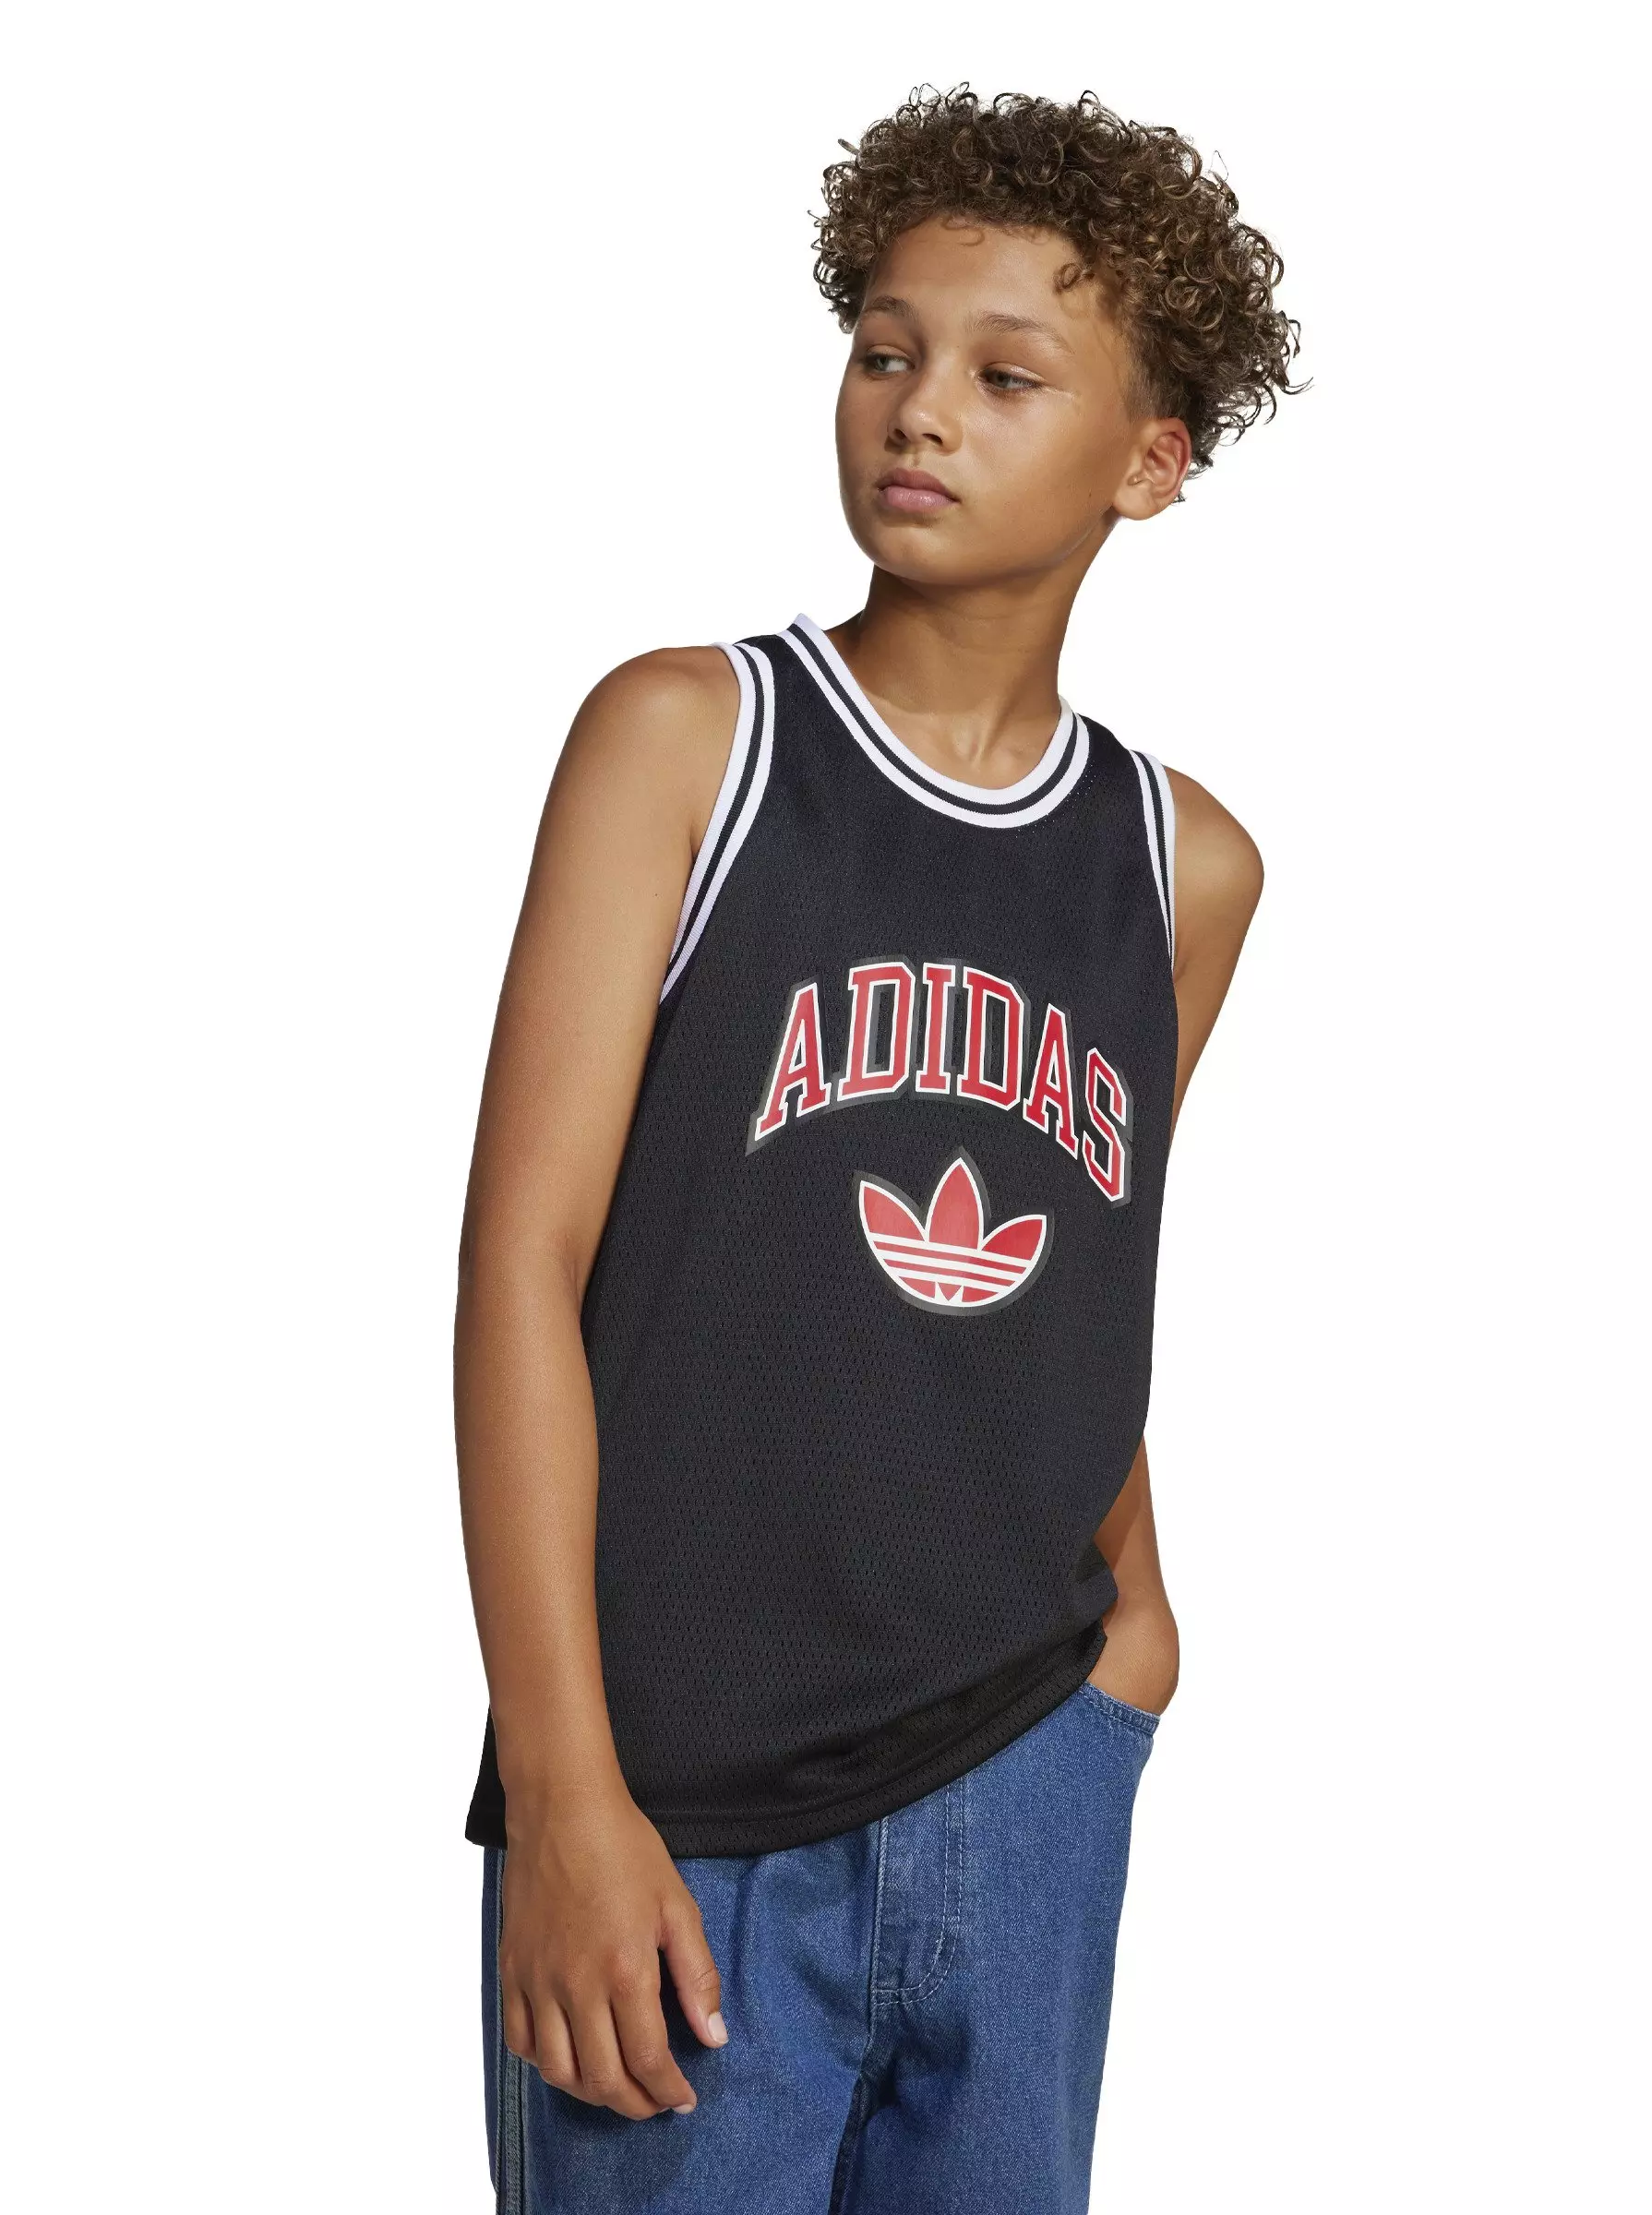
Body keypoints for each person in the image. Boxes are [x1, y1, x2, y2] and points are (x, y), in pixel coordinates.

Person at [454, 82, 1300, 2214]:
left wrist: (1135, 1643)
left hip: (1026, 1770)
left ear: (1150, 460)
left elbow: (1077, 1282)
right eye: (884, 349)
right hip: (685, 1809)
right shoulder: (693, 741)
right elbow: (521, 1270)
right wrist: (564, 1789)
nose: (919, 410)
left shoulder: (1180, 867)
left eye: (1008, 376)